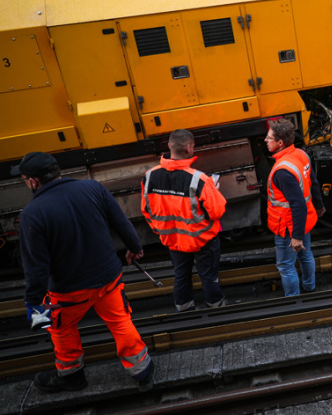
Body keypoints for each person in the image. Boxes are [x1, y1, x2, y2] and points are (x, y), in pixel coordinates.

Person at [15, 152, 153, 393]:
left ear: (33, 182)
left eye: (25, 179)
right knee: (120, 320)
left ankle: (71, 376)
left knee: (60, 328)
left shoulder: (32, 214)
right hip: (108, 278)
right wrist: (135, 248)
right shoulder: (92, 188)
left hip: (69, 290)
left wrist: (33, 303)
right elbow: (120, 221)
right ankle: (142, 370)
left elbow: (36, 266)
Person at [141, 129, 227, 312]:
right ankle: (217, 309)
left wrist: (161, 231)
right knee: (209, 276)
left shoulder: (150, 177)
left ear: (169, 147)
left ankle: (184, 309)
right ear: (189, 148)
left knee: (181, 275)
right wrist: (215, 190)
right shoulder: (199, 179)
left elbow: (146, 210)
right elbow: (217, 211)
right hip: (201, 240)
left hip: (173, 240)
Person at [265, 118, 326, 296]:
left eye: (269, 138)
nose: (266, 141)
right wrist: (319, 205)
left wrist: (296, 237)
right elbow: (313, 182)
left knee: (286, 265)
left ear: (280, 143)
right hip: (303, 220)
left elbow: (297, 204)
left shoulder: (283, 171)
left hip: (288, 225)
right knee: (306, 255)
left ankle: (293, 300)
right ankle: (309, 286)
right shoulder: (300, 154)